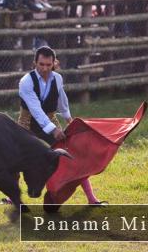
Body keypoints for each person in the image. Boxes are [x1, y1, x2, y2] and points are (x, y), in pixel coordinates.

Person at [18, 46, 105, 206]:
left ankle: (91, 198)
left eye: (48, 65)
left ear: (54, 63)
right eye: (41, 64)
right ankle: (14, 197)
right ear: (34, 63)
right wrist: (53, 129)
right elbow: (35, 110)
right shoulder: (26, 82)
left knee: (71, 156)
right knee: (19, 158)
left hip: (50, 119)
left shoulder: (57, 79)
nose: (44, 68)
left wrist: (68, 118)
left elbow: (61, 100)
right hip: (28, 121)